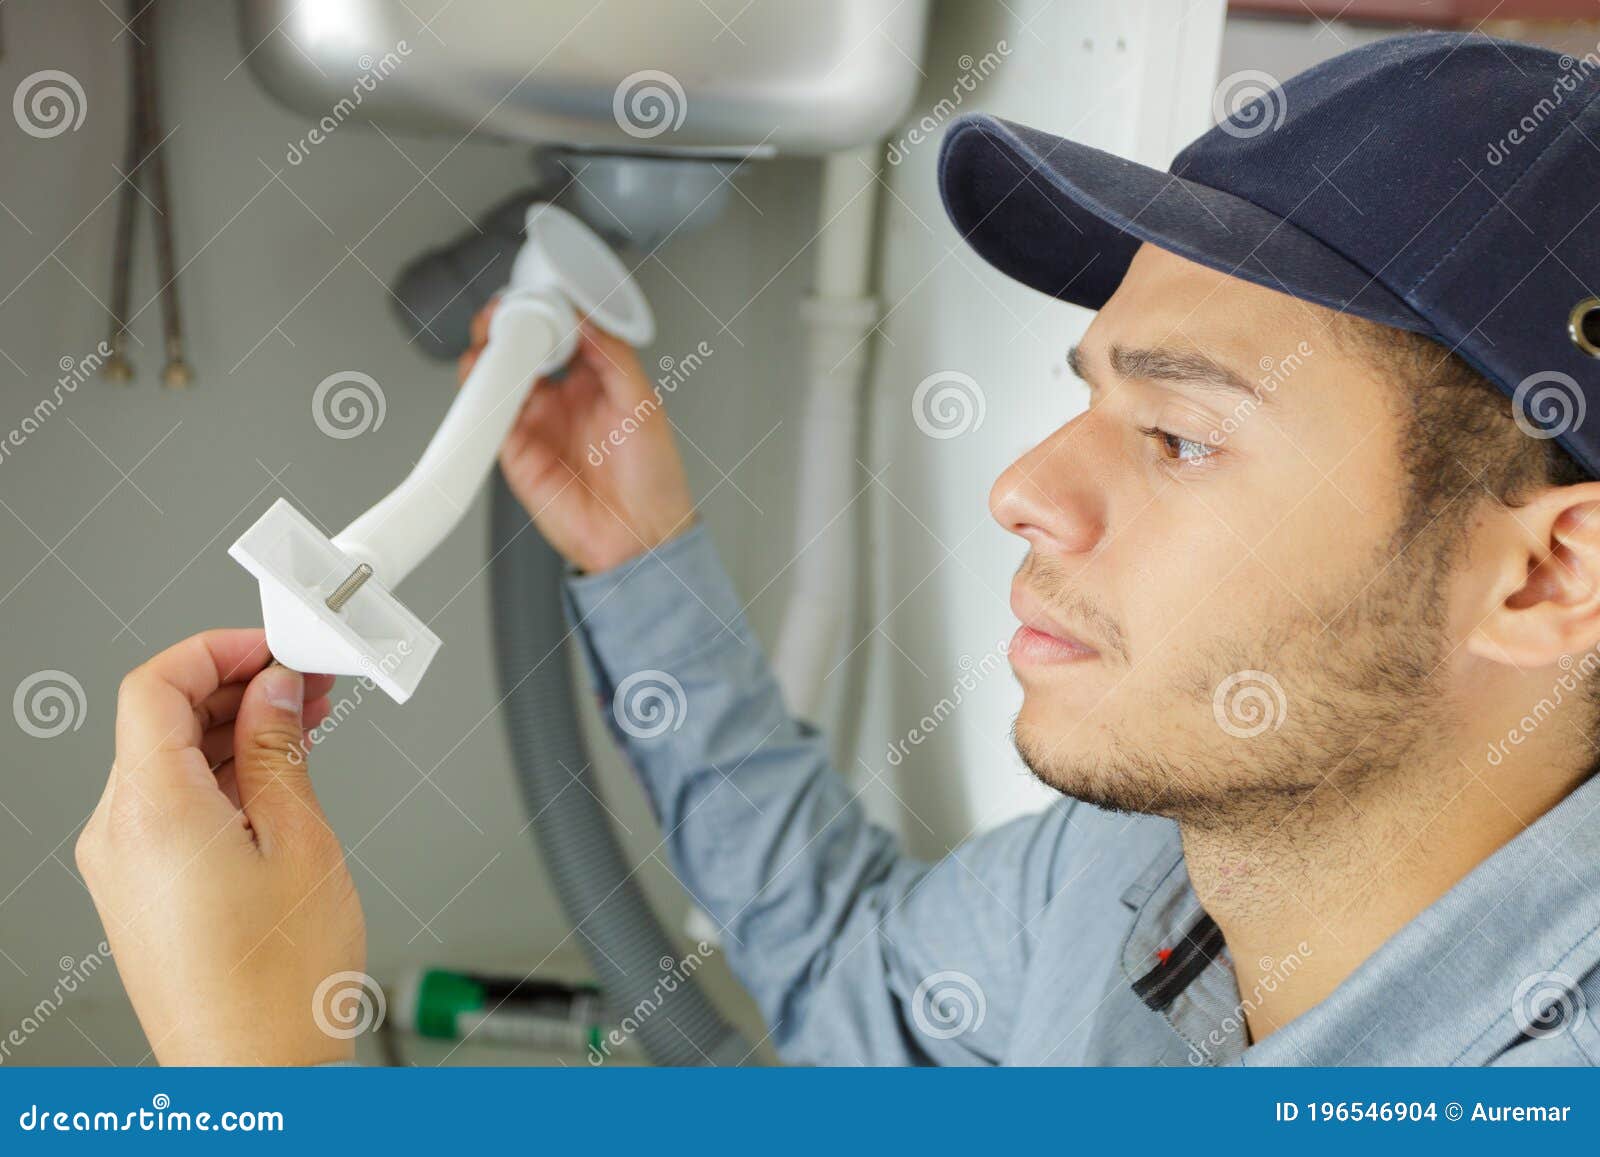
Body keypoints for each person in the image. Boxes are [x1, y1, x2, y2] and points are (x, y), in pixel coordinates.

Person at [81, 31, 1600, 1065]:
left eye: (1181, 436)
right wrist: (642, 559)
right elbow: (854, 985)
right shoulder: (1156, 865)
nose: (1022, 489)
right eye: (1094, 394)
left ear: (1547, 574)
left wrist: (258, 1072)